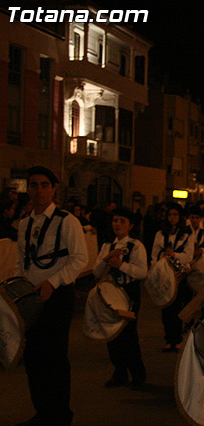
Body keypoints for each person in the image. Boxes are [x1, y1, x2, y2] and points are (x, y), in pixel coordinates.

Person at [14, 166, 88, 426]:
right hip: (31, 298)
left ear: (54, 189)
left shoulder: (66, 220)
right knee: (34, 358)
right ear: (28, 189)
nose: (39, 190)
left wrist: (52, 283)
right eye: (33, 185)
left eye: (44, 185)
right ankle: (43, 412)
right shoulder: (25, 223)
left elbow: (80, 259)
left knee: (54, 358)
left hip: (57, 296)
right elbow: (21, 262)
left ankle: (59, 415)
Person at [93, 207, 148, 390]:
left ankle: (138, 374)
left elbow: (142, 272)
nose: (117, 224)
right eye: (115, 220)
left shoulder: (136, 246)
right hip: (110, 293)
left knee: (128, 335)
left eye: (122, 221)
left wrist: (121, 265)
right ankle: (120, 373)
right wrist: (105, 260)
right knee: (111, 334)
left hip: (129, 292)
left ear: (130, 225)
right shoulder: (107, 245)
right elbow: (96, 271)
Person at [150, 202, 194, 352]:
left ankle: (177, 339)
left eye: (175, 215)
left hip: (179, 275)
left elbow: (188, 256)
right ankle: (168, 339)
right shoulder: (160, 234)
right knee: (165, 308)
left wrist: (174, 255)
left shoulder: (187, 234)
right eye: (170, 215)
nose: (172, 218)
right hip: (164, 275)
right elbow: (154, 254)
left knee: (177, 308)